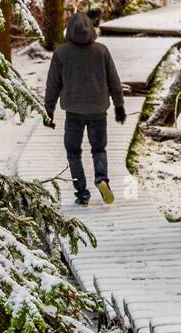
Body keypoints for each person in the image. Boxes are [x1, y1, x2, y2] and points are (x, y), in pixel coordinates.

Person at [44, 11, 126, 206]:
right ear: (91, 28)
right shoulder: (101, 51)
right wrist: (119, 105)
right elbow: (114, 80)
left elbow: (52, 85)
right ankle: (102, 180)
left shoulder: (61, 53)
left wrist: (48, 110)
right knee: (99, 149)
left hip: (73, 112)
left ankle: (82, 193)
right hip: (98, 110)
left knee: (73, 152)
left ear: (69, 31)